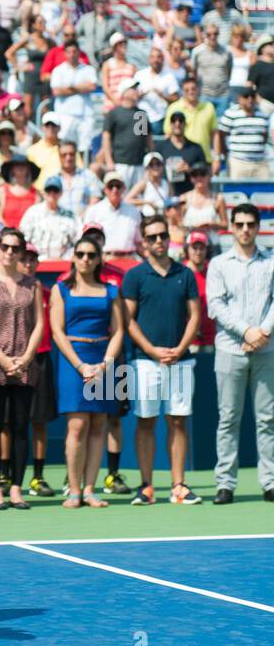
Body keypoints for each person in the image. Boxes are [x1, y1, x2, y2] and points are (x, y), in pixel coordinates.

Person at [123, 213, 201, 506]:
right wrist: (153, 351)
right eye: (153, 237)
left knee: (178, 422)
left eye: (163, 236)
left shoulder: (186, 274)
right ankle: (146, 487)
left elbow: (194, 316)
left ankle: (178, 486)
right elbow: (128, 321)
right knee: (146, 421)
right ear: (144, 242)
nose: (159, 241)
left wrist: (180, 348)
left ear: (169, 238)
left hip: (181, 361)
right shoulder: (134, 276)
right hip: (145, 361)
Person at [50, 235, 124, 508]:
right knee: (77, 425)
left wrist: (105, 363)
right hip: (74, 360)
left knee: (98, 425)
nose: (85, 259)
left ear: (98, 259)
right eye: (80, 254)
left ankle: (90, 489)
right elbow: (57, 331)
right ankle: (73, 489)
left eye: (91, 255)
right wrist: (81, 365)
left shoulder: (111, 291)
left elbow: (118, 331)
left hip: (103, 359)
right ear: (73, 257)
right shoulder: (61, 289)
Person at [207, 203, 274, 503]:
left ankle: (270, 483)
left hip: (266, 349)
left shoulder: (271, 262)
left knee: (267, 419)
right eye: (240, 224)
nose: (245, 229)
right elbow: (216, 305)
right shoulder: (219, 264)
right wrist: (248, 331)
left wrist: (263, 332)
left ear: (258, 227)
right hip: (230, 349)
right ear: (231, 227)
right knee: (228, 418)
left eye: (250, 224)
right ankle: (225, 484)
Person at [0, 225, 44, 511]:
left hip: (24, 366)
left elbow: (39, 322)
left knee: (19, 428)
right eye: (6, 246)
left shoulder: (33, 285)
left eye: (16, 248)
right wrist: (3, 359)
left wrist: (26, 357)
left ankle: (16, 487)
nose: (10, 252)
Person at [19, 176, 80, 259]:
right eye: (49, 190)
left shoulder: (70, 216)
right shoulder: (32, 213)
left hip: (64, 263)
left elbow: (78, 241)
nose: (52, 193)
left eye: (55, 190)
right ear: (44, 192)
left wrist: (66, 258)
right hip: (35, 264)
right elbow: (23, 239)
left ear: (61, 193)